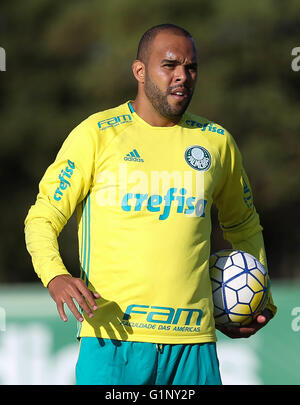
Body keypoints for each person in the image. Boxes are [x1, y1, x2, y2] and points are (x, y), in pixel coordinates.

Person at [24, 23, 277, 385]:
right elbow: (43, 217)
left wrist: (258, 300)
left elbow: (244, 224)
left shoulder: (217, 142)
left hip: (194, 345)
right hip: (113, 341)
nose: (182, 77)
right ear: (139, 71)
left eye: (191, 68)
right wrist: (55, 274)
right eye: (170, 65)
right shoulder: (96, 135)